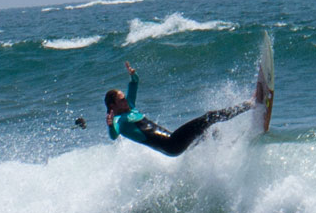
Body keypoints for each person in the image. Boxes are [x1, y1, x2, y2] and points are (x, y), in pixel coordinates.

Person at [105, 61, 252, 156]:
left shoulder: (130, 107)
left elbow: (134, 84)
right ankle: (249, 104)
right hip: (172, 143)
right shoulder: (119, 121)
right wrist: (111, 125)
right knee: (209, 117)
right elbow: (113, 135)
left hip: (173, 143)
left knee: (209, 134)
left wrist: (133, 74)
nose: (126, 100)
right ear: (113, 105)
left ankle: (231, 150)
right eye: (121, 99)